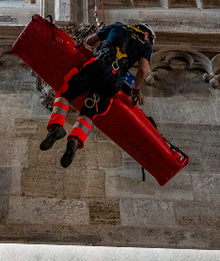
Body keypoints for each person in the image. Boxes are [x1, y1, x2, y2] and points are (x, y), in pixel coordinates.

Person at [38, 22, 155, 168]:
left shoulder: (118, 27)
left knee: (66, 92)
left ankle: (56, 126)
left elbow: (89, 41)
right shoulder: (146, 45)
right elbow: (143, 70)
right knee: (90, 111)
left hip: (99, 65)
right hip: (114, 81)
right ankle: (75, 138)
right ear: (146, 34)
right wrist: (136, 90)